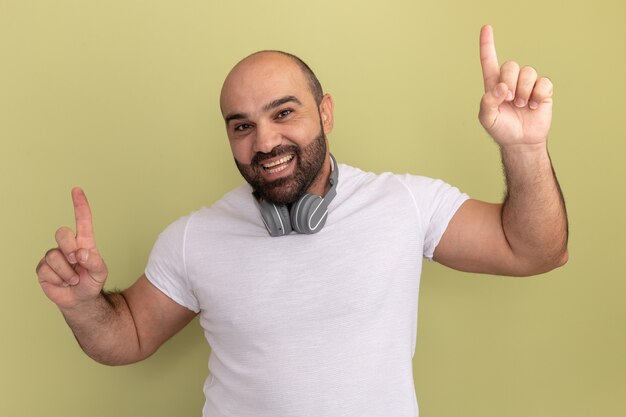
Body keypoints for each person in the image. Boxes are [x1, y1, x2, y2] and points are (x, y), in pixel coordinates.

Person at [36, 25, 568, 416]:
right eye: (242, 125)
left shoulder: (403, 202)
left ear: (326, 112)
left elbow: (535, 250)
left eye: (283, 112)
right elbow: (127, 337)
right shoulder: (193, 237)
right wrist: (84, 306)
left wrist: (526, 148)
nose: (264, 142)